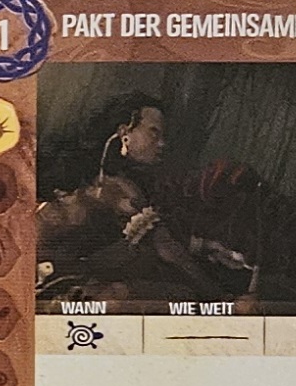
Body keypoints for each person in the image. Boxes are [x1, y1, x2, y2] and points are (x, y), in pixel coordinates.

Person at [35, 97, 253, 304]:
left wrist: (206, 247)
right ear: (124, 133)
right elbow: (169, 251)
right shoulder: (116, 190)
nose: (162, 144)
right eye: (154, 133)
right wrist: (219, 298)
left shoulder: (115, 185)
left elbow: (164, 242)